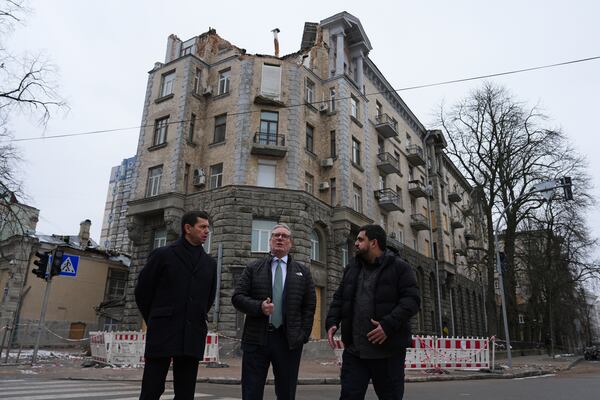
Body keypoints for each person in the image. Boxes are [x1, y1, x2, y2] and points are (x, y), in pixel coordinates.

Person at [326, 224, 420, 400]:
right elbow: (339, 298)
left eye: (360, 239)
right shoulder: (352, 268)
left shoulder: (400, 267)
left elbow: (412, 301)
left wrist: (388, 325)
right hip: (355, 353)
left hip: (388, 355)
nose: (355, 243)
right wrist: (332, 322)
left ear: (374, 243)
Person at [135, 210, 217, 400]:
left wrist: (195, 317)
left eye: (208, 227)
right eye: (202, 227)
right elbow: (143, 292)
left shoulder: (209, 263)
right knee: (152, 389)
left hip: (192, 334)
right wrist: (156, 317)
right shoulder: (163, 255)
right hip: (163, 331)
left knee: (185, 392)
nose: (207, 231)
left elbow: (208, 298)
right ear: (188, 228)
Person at [232, 223, 316, 400]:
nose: (280, 238)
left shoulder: (303, 272)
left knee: (286, 392)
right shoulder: (254, 268)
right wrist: (259, 307)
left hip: (288, 341)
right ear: (270, 241)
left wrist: (303, 335)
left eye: (284, 236)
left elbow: (309, 307)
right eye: (276, 235)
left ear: (290, 243)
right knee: (251, 391)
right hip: (256, 340)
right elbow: (237, 297)